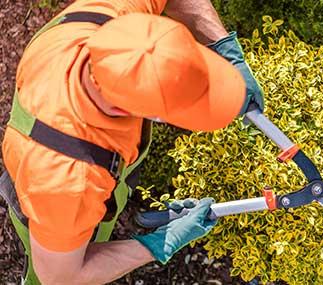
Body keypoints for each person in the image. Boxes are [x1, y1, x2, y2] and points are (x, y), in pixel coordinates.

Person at [0, 0, 264, 284]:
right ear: (128, 112)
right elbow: (61, 276)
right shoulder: (69, 184)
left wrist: (222, 47)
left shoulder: (117, 26)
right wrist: (159, 243)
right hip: (47, 210)